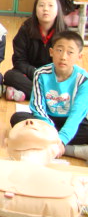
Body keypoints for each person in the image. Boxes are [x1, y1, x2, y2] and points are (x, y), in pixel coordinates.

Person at [10, 30, 88, 160]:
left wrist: (62, 138)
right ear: (51, 52)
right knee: (18, 119)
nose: (63, 57)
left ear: (79, 56)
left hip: (70, 121)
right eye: (59, 50)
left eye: (70, 52)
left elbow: (77, 115)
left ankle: (53, 146)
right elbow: (38, 107)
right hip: (46, 120)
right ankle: (63, 148)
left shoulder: (84, 79)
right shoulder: (40, 74)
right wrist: (51, 133)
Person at [4, 0, 66, 102]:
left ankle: (27, 93)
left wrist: (48, 76)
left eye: (50, 5)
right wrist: (36, 73)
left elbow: (65, 63)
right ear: (35, 9)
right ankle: (47, 97)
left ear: (58, 10)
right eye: (41, 5)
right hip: (30, 74)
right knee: (10, 76)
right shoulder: (26, 29)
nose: (45, 9)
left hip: (53, 75)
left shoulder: (64, 32)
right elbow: (19, 61)